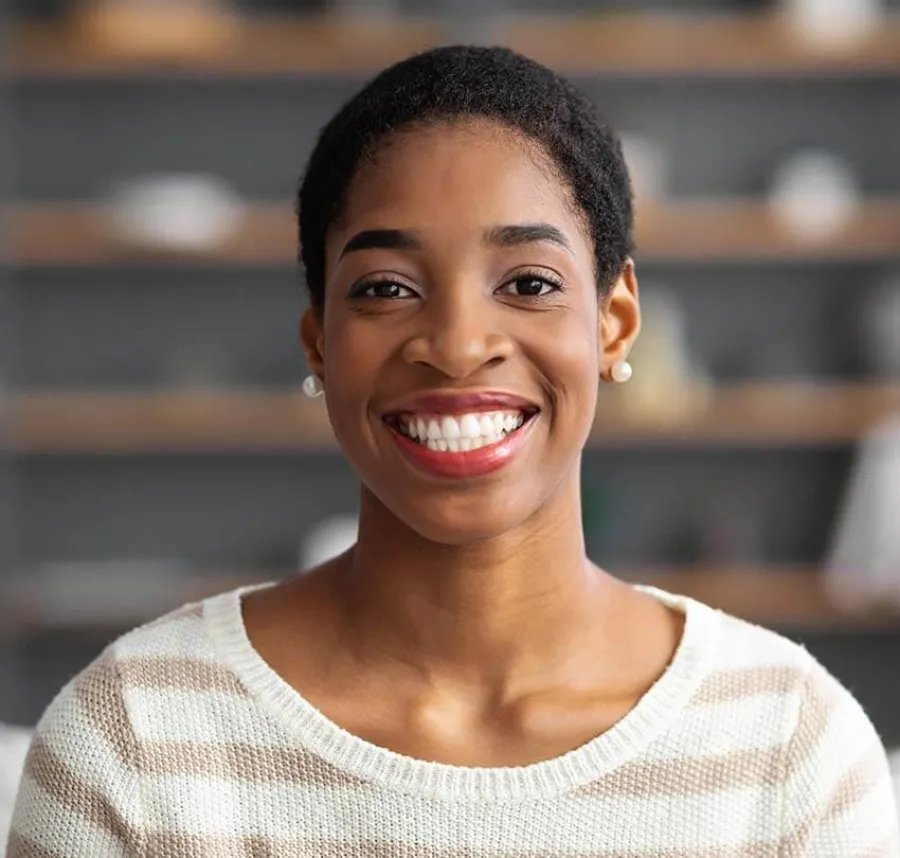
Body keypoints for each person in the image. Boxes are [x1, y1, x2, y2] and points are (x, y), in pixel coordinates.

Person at [7, 46, 899, 857]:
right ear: (320, 344)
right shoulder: (135, 743)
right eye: (387, 288)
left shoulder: (791, 747)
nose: (459, 344)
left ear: (615, 324)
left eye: (529, 283)